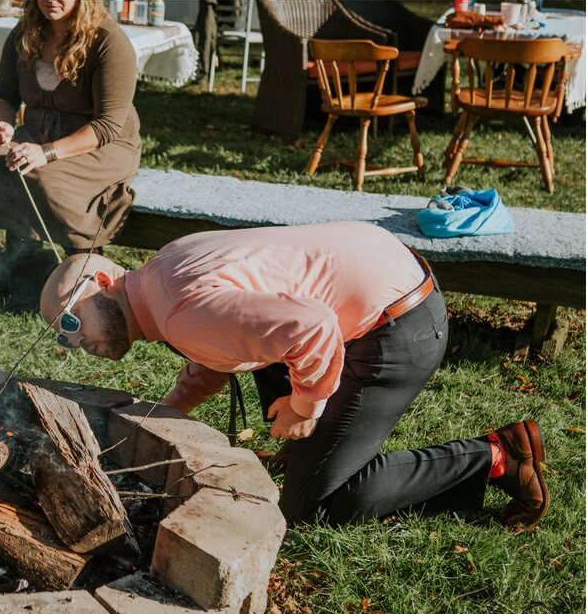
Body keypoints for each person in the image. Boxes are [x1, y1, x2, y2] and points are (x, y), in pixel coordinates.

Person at [39, 222, 549, 526]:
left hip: (397, 325)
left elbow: (314, 327)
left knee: (315, 504)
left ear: (102, 279)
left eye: (69, 320)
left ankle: (495, 456)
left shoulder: (178, 313)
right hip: (389, 275)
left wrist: (306, 406)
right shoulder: (160, 274)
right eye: (61, 337)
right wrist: (170, 415)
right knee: (273, 357)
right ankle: (311, 449)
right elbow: (222, 343)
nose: (73, 340)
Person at [0, 0, 141, 292]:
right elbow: (4, 96)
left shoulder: (108, 41)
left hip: (100, 146)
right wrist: (4, 124)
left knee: (39, 176)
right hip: (36, 137)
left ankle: (83, 268)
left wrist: (47, 153)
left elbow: (108, 125)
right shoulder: (25, 33)